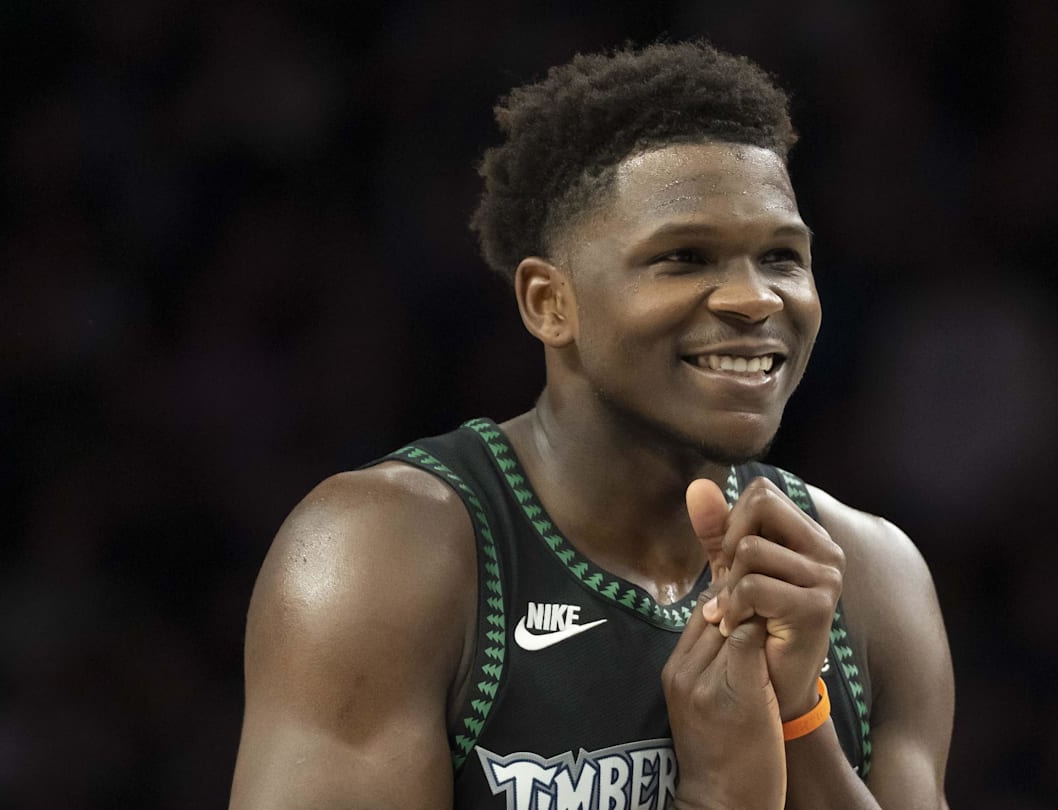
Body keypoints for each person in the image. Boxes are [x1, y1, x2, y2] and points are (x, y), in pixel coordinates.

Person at [230, 41, 953, 809]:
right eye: (683, 257)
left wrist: (802, 723)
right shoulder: (386, 555)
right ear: (549, 302)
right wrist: (715, 798)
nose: (755, 299)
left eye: (781, 256)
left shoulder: (872, 577)